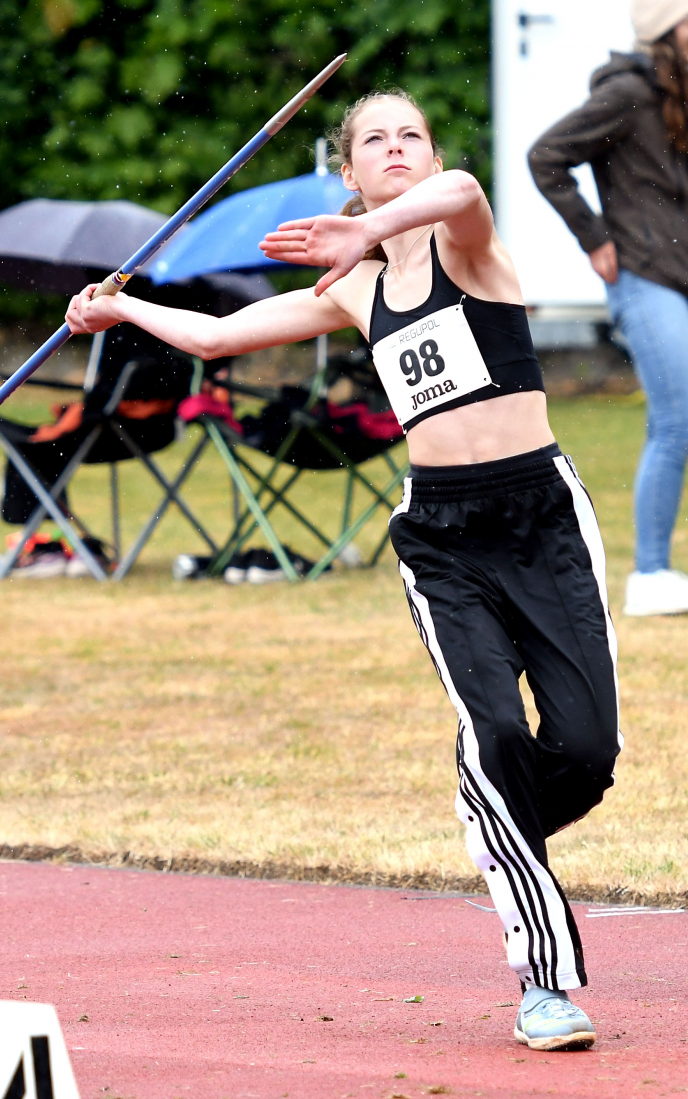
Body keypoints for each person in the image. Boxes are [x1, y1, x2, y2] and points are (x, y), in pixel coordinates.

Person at [66, 89, 622, 1051]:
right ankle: (543, 980)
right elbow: (215, 338)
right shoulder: (354, 291)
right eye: (377, 141)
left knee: (585, 750)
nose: (400, 150)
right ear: (350, 168)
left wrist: (368, 226)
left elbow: (459, 189)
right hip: (443, 541)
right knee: (494, 730)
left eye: (412, 134)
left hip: (543, 518)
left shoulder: (465, 243)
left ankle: (495, 817)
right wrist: (118, 307)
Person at [529, 1, 688, 617]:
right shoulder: (627, 92)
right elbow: (545, 156)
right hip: (647, 274)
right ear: (662, 28)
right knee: (679, 422)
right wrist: (594, 237)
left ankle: (657, 572)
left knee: (681, 423)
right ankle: (650, 575)